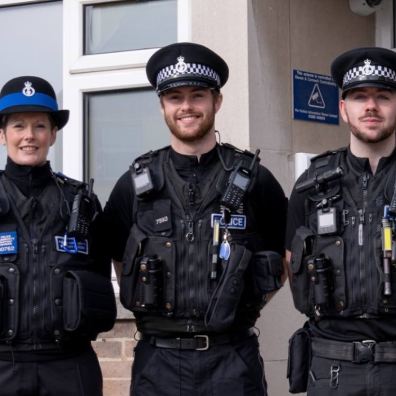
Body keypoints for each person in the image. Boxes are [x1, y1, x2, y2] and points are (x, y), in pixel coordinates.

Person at [104, 42, 287, 396]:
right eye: (175, 97)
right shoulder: (135, 183)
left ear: (216, 101)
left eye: (197, 95)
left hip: (232, 360)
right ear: (162, 107)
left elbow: (284, 260)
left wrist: (234, 302)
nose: (186, 106)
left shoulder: (255, 180)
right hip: (157, 363)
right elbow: (118, 259)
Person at [286, 47, 396, 395]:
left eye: (383, 96)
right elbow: (291, 264)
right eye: (359, 96)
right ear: (342, 109)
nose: (371, 106)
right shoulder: (310, 186)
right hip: (332, 368)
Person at [0, 76, 116, 396]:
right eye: (18, 126)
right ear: (2, 134)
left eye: (39, 126)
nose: (29, 136)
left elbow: (100, 274)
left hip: (69, 366)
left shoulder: (82, 202)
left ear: (53, 134)